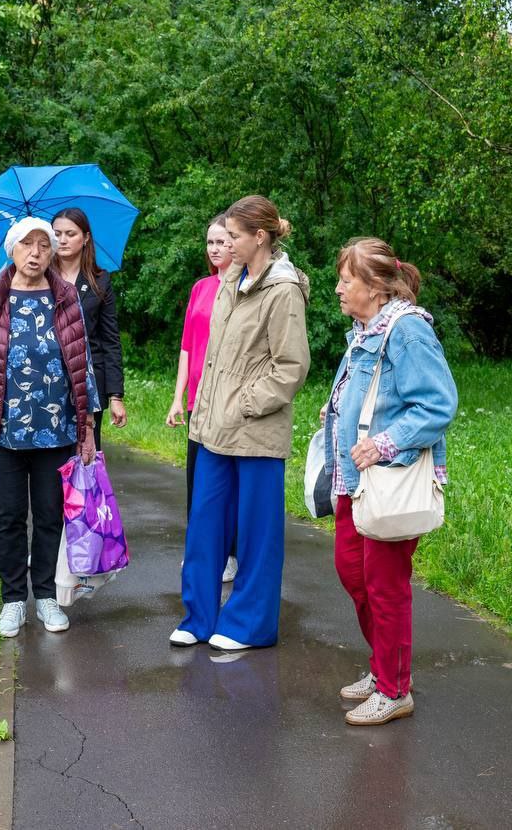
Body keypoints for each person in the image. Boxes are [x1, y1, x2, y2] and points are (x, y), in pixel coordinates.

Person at [322, 237, 457, 726]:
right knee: (353, 574)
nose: (338, 288)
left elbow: (437, 405)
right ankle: (385, 668)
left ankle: (395, 688)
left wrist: (383, 442)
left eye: (346, 280)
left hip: (387, 478)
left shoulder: (406, 332)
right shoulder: (365, 330)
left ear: (376, 287)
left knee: (384, 584)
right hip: (353, 478)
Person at [169, 195, 310, 652]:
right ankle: (199, 617)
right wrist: (206, 407)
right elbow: (213, 357)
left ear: (259, 238)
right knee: (205, 524)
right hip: (212, 428)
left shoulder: (283, 290)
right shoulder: (231, 278)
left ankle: (250, 625)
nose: (225, 243)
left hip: (255, 431)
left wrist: (247, 403)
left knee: (255, 534)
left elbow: (291, 367)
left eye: (233, 236)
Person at [0, 217, 100, 639]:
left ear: (53, 252)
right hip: (2, 428)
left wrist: (87, 426)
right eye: (28, 244)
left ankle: (46, 597)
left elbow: (83, 360)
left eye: (45, 244)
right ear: (12, 250)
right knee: (9, 516)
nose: (36, 252)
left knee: (49, 515)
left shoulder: (66, 297)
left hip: (56, 428)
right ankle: (12, 601)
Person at [165, 214, 239, 583]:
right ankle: (200, 552)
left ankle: (229, 554)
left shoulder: (244, 287)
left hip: (227, 399)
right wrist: (178, 398)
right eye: (210, 242)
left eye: (223, 241)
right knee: (197, 481)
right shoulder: (201, 287)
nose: (215, 249)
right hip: (198, 402)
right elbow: (186, 348)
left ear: (238, 243)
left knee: (226, 483)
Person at [51, 208, 126, 449]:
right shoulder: (40, 277)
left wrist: (116, 395)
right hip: (49, 380)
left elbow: (110, 339)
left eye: (70, 234)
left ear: (85, 238)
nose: (62, 240)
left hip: (89, 381)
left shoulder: (99, 280)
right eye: (57, 234)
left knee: (86, 454)